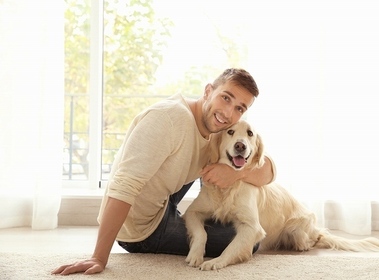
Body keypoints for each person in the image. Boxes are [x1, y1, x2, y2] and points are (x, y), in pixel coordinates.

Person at [52, 68, 276, 275]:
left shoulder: (217, 131)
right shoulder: (168, 119)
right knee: (251, 241)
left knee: (227, 166)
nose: (228, 113)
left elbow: (269, 170)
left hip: (163, 198)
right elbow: (124, 185)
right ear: (209, 91)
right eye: (225, 98)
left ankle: (198, 217)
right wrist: (98, 257)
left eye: (239, 108)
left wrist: (236, 173)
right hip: (142, 229)